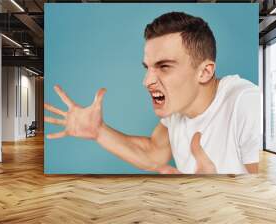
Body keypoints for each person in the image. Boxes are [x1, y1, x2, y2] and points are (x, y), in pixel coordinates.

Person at [44, 12, 260, 174]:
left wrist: (216, 193)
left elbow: (271, 198)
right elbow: (154, 154)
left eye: (164, 66)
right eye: (147, 67)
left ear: (204, 72)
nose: (147, 81)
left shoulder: (246, 103)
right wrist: (99, 132)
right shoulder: (177, 109)